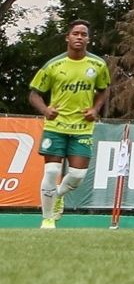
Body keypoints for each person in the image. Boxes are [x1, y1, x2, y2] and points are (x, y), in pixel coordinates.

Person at [29, 20, 110, 230]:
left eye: (84, 34)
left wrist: (95, 109)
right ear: (68, 37)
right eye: (76, 33)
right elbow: (34, 93)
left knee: (77, 176)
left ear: (88, 39)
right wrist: (45, 110)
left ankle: (57, 196)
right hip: (55, 127)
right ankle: (47, 219)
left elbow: (103, 89)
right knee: (51, 171)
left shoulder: (98, 65)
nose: (80, 37)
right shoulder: (53, 65)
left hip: (82, 127)